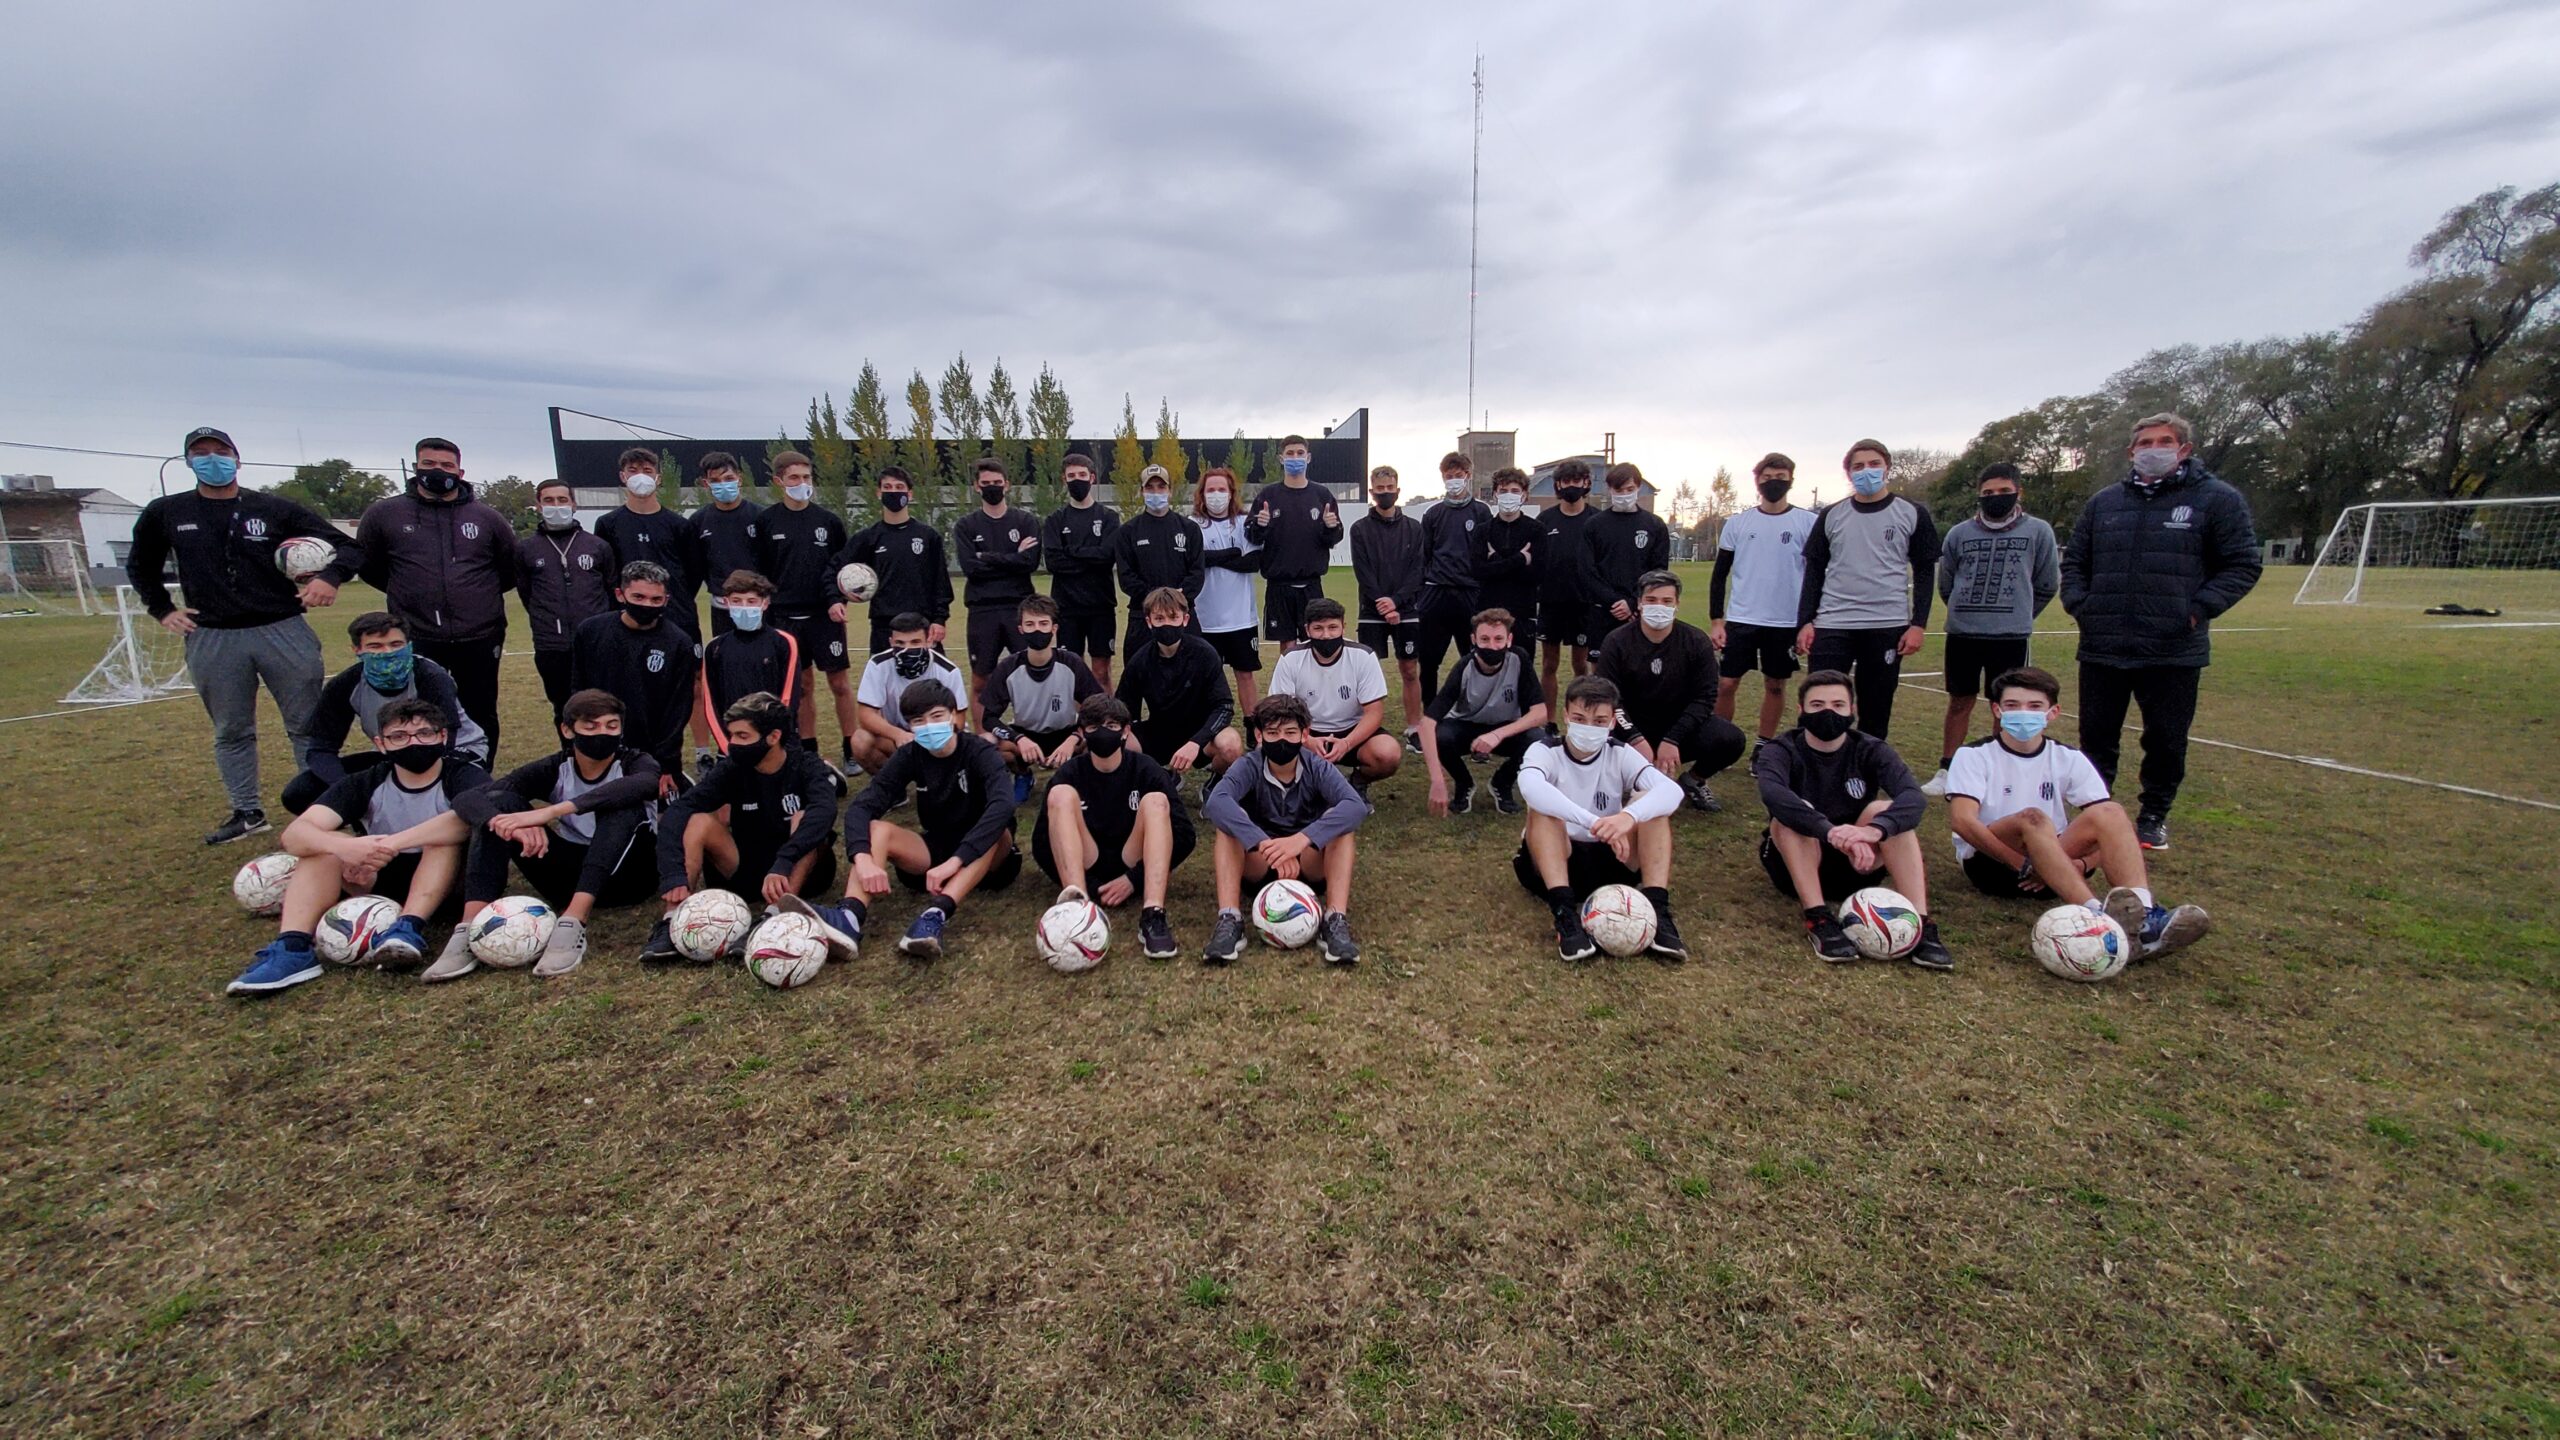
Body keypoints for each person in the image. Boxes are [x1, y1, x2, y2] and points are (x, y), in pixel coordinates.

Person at [128, 425, 357, 845]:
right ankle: (246, 811)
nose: (212, 459)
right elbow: (140, 565)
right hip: (213, 635)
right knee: (232, 730)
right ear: (188, 461)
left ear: (237, 458)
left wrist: (330, 577)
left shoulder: (273, 508)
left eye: (220, 451)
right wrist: (162, 609)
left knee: (307, 725)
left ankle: (321, 808)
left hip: (282, 628)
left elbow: (347, 547)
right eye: (201, 452)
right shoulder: (167, 512)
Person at [2059, 412, 2262, 850]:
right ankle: (2096, 812)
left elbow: (2243, 563)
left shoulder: (2216, 499)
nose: (2154, 449)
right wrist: (2081, 605)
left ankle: (2153, 815)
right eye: (2145, 442)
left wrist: (2198, 609)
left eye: (2164, 441)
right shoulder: (2105, 503)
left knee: (2166, 739)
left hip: (2173, 648)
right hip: (2103, 644)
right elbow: (2075, 561)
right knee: (2096, 738)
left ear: (2184, 449)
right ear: (2132, 451)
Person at [1944, 667, 2211, 960]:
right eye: (2012, 706)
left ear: (2053, 712)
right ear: (1997, 710)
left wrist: (2081, 865)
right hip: (1994, 866)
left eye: (2035, 706)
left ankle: (2146, 917)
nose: (2024, 713)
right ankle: (2100, 919)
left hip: (2057, 870)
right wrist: (2022, 863)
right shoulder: (1974, 755)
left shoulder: (2068, 758)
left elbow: (2113, 829)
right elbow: (1963, 821)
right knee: (2032, 818)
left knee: (2110, 811)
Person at [227, 699, 486, 996]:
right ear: (381, 744)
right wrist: (346, 849)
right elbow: (295, 835)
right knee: (322, 848)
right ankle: (293, 948)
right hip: (377, 877)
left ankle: (408, 929)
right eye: (399, 737)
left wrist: (392, 842)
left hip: (451, 882)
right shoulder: (365, 781)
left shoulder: (463, 774)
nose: (414, 742)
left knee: (440, 837)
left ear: (443, 737)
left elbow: (469, 818)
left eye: (425, 734)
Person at [794, 680, 1020, 962]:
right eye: (918, 721)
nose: (928, 726)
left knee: (995, 829)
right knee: (877, 829)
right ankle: (850, 916)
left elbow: (1003, 805)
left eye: (936, 717)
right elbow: (862, 807)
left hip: (990, 859)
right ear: (909, 726)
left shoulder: (979, 751)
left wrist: (957, 860)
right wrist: (862, 858)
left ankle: (934, 915)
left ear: (953, 716)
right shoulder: (911, 754)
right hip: (935, 851)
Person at [446, 688, 663, 980]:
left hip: (630, 877)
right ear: (567, 729)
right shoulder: (556, 766)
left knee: (623, 807)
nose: (603, 733)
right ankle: (469, 928)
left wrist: (550, 812)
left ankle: (574, 922)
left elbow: (646, 784)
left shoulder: (636, 762)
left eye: (612, 726)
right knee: (499, 804)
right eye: (591, 726)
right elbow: (468, 798)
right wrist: (503, 821)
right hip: (566, 879)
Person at [1753, 671, 1951, 969]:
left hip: (1860, 860)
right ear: (1801, 710)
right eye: (1817, 705)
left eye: (1838, 704)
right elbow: (1774, 795)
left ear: (1852, 710)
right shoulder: (1781, 749)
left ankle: (1921, 924)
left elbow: (1913, 798)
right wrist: (1829, 831)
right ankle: (1818, 919)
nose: (1828, 712)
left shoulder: (1871, 748)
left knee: (1887, 811)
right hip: (1797, 862)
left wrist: (1873, 832)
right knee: (1789, 817)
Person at [641, 691, 841, 962]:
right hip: (746, 869)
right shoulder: (733, 768)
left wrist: (785, 859)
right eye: (732, 735)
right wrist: (672, 872)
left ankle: (773, 917)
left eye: (742, 736)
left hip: (800, 871)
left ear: (773, 737)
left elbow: (825, 811)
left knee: (804, 817)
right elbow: (680, 809)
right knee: (698, 820)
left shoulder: (805, 764)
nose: (732, 743)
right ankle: (671, 920)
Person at [354, 437, 516, 754]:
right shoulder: (385, 514)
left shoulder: (487, 517)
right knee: (419, 712)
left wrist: (474, 599)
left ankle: (478, 777)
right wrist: (413, 594)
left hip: (480, 633)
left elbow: (508, 570)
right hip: (419, 633)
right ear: (416, 467)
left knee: (480, 710)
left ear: (460, 470)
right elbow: (370, 568)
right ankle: (427, 776)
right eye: (429, 464)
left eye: (446, 465)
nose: (438, 471)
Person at [1514, 676, 1685, 962]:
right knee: (1542, 808)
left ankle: (1658, 911)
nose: (1588, 728)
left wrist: (1628, 817)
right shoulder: (1545, 750)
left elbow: (1672, 791)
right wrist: (1592, 821)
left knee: (1652, 805)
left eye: (1599, 720)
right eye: (1579, 718)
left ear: (1612, 723)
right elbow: (1531, 787)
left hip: (1614, 856)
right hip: (1559, 861)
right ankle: (1565, 916)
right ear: (1566, 715)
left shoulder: (1620, 753)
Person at [1201, 693, 1370, 966]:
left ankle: (1335, 920)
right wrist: (1263, 843)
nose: (1282, 739)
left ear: (1305, 735)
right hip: (1259, 863)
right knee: (1229, 823)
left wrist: (1301, 840)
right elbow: (1217, 802)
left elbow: (1355, 806)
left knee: (1340, 822)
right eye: (1272, 732)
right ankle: (1229, 919)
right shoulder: (1249, 764)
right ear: (1259, 735)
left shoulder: (1317, 766)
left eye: (1290, 732)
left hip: (1308, 862)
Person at [1922, 463, 2060, 796]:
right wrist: (1965, 610)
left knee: (2006, 703)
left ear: (2017, 492)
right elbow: (1947, 583)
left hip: (2010, 636)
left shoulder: (2038, 531)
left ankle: (2001, 768)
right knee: (1959, 701)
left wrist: (2018, 613)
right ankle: (1948, 768)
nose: (1995, 498)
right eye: (1987, 493)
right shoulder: (1959, 534)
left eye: (2002, 492)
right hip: (1963, 634)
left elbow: (2046, 583)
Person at [1795, 439, 1940, 742]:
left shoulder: (1911, 512)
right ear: (1848, 473)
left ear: (1887, 467)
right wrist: (1806, 621)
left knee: (1876, 706)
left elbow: (1925, 571)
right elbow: (1813, 572)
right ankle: (1814, 771)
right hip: (1834, 622)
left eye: (1874, 464)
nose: (1866, 471)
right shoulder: (1831, 515)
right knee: (1823, 703)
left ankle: (1866, 775)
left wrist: (1918, 624)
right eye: (1858, 466)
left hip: (1886, 624)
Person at [1031, 695, 1192, 961]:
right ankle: (1076, 906)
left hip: (1132, 857)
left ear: (1126, 731)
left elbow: (1184, 834)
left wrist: (1133, 880)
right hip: (1087, 860)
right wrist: (1092, 888)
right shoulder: (1070, 773)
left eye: (1111, 725)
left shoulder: (1146, 769)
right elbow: (1042, 844)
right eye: (1094, 727)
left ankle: (1153, 914)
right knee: (1060, 795)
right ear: (1082, 733)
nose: (1103, 733)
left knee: (1155, 801)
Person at [282, 611, 490, 814]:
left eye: (396, 645)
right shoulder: (344, 685)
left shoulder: (431, 677)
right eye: (375, 646)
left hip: (452, 751)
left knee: (466, 799)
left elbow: (444, 738)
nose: (387, 652)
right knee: (299, 792)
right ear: (357, 649)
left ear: (409, 645)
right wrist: (346, 788)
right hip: (397, 753)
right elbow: (321, 748)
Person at [1594, 570, 1748, 811]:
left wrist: (1673, 738)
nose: (1659, 607)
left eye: (1667, 601)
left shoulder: (1696, 642)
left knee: (1731, 739)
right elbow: (1608, 698)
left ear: (1677, 604)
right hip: (1629, 728)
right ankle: (1622, 779)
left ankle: (1694, 781)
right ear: (1639, 603)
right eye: (1652, 600)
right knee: (1590, 736)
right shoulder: (1616, 641)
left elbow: (1705, 698)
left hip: (1679, 729)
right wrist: (1634, 737)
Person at [749, 451, 859, 767]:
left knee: (839, 683)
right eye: (794, 478)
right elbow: (761, 573)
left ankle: (851, 747)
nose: (801, 484)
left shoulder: (828, 521)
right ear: (779, 481)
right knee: (802, 686)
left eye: (806, 477)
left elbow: (843, 569)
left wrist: (839, 600)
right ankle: (808, 750)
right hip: (784, 616)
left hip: (824, 615)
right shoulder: (766, 521)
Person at [1711, 452, 1816, 743]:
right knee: (1727, 683)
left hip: (1784, 620)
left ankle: (1764, 744)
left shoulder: (1807, 522)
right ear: (1757, 481)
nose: (1773, 483)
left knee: (1775, 684)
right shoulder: (1738, 523)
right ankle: (1721, 742)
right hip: (1742, 617)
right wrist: (1717, 621)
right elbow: (1720, 575)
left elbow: (1816, 576)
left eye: (1780, 478)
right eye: (1767, 478)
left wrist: (1809, 621)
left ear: (1791, 481)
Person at [569, 561, 699, 789]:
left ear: (666, 600)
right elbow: (578, 691)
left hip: (649, 750)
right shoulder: (591, 632)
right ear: (620, 594)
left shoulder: (678, 643)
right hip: (599, 742)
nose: (647, 605)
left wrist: (667, 763)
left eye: (656, 600)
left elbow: (678, 709)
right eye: (638, 597)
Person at [1420, 608, 1549, 817]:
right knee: (1440, 736)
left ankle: (1502, 783)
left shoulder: (1519, 659)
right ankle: (1463, 784)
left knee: (1538, 739)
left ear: (1509, 639)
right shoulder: (1464, 667)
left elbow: (1540, 713)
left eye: (1499, 639)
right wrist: (1437, 780)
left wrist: (1497, 734)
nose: (1492, 646)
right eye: (1485, 639)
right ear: (1473, 639)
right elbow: (1427, 723)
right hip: (1467, 727)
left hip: (1504, 729)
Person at [1266, 598, 1401, 796]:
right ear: (1307, 629)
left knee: (1388, 753)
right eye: (1318, 628)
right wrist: (1307, 740)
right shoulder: (1291, 658)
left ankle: (1356, 782)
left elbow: (1374, 712)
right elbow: (1279, 710)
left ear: (1343, 627)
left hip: (1352, 732)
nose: (1326, 635)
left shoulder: (1363, 656)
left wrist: (1346, 743)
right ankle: (1299, 788)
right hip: (1307, 732)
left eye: (1332, 627)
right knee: (1268, 747)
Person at [977, 594, 1104, 802]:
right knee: (988, 743)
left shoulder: (1071, 663)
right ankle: (1023, 775)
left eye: (1043, 623)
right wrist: (1019, 739)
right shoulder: (1009, 667)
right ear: (1020, 629)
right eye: (1030, 624)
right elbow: (988, 718)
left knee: (1102, 736)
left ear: (1054, 628)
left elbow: (1098, 709)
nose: (1037, 630)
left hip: (1066, 733)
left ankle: (1079, 776)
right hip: (1026, 736)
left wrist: (1074, 739)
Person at [1114, 587, 1245, 779]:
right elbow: (1123, 710)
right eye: (1159, 619)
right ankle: (1163, 777)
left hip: (1201, 734)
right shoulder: (1140, 660)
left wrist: (1195, 743)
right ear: (1149, 622)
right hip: (1159, 731)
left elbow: (1223, 707)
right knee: (1115, 741)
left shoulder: (1205, 654)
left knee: (1231, 745)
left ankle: (1216, 782)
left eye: (1173, 617)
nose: (1167, 624)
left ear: (1185, 619)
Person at [952, 457, 1042, 725]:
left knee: (1028, 674)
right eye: (986, 483)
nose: (992, 487)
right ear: (977, 487)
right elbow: (971, 568)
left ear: (1007, 485)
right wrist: (1011, 557)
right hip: (983, 609)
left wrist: (988, 557)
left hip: (1019, 608)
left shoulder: (1025, 521)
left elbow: (1030, 563)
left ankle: (1029, 735)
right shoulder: (966, 525)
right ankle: (983, 741)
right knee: (982, 677)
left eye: (997, 483)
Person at [518, 479, 616, 719]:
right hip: (551, 643)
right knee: (563, 706)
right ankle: (569, 753)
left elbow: (611, 589)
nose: (556, 505)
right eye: (548, 500)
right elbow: (526, 592)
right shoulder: (526, 549)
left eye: (562, 500)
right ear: (539, 506)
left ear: (573, 504)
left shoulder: (597, 546)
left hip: (595, 642)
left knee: (602, 703)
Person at [833, 465, 952, 657]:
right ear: (879, 493)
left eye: (899, 487)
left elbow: (940, 582)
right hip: (884, 624)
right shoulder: (868, 537)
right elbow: (836, 568)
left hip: (922, 623)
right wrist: (835, 598)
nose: (893, 492)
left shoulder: (928, 536)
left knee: (927, 685)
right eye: (887, 488)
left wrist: (940, 619)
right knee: (885, 684)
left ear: (910, 494)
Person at [1349, 464, 1426, 749]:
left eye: (1389, 489)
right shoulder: (1360, 529)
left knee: (1409, 670)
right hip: (1371, 611)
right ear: (1372, 492)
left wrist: (1397, 601)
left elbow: (1417, 570)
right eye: (1379, 489)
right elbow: (1362, 571)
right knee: (1368, 672)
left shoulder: (1414, 529)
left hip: (1406, 610)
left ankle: (1414, 728)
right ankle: (1365, 727)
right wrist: (1383, 603)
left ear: (1397, 490)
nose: (1384, 493)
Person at [1244, 435, 1344, 647]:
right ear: (1281, 458)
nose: (1295, 458)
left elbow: (1333, 539)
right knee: (1287, 647)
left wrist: (1331, 526)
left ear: (1308, 458)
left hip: (1311, 585)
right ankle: (1290, 682)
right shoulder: (1268, 495)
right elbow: (1252, 536)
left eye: (1300, 453)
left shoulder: (1322, 495)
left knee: (1316, 642)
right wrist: (1260, 525)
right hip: (1279, 586)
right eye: (1290, 454)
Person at [593, 447, 702, 634]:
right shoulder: (607, 524)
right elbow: (606, 574)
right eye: (633, 471)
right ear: (623, 476)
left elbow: (693, 573)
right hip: (628, 618)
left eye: (647, 471)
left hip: (676, 616)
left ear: (657, 478)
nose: (640, 476)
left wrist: (671, 597)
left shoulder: (680, 525)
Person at [1416, 450, 1493, 705]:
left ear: (1468, 476)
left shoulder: (1481, 513)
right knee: (1428, 660)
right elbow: (1425, 556)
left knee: (1473, 657)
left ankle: (1472, 708)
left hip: (1469, 594)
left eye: (1458, 476)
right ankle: (1429, 712)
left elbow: (1486, 556)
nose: (1453, 481)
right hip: (1436, 593)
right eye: (1449, 476)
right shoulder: (1433, 514)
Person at [849, 611, 969, 773]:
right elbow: (866, 715)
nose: (907, 650)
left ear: (929, 640)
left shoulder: (948, 671)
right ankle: (893, 789)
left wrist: (928, 736)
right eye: (900, 643)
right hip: (896, 738)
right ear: (891, 642)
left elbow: (959, 719)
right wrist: (898, 735)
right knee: (860, 741)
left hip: (936, 735)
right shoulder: (878, 665)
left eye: (915, 642)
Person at [696, 570, 800, 752]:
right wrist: (728, 746)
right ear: (727, 603)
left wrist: (771, 742)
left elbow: (788, 698)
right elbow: (711, 704)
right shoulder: (715, 648)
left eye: (751, 602)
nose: (744, 607)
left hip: (775, 744)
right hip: (733, 745)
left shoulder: (783, 642)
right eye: (737, 601)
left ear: (765, 603)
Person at [1040, 451, 1121, 686]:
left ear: (1092, 478)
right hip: (1066, 608)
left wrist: (1072, 551)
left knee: (1101, 672)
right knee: (1069, 671)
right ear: (1064, 480)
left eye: (1082, 474)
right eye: (1071, 475)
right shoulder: (1055, 519)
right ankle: (1074, 721)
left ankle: (1106, 719)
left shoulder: (1108, 517)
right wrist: (1090, 556)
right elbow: (1053, 562)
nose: (1077, 480)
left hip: (1100, 606)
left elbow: (1107, 557)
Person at [1193, 465, 1265, 714]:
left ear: (1231, 492)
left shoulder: (1245, 523)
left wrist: (1214, 558)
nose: (1216, 494)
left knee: (1245, 675)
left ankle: (1252, 727)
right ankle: (1206, 729)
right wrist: (1231, 553)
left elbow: (1252, 563)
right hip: (1204, 619)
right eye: (1210, 490)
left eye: (1221, 489)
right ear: (1202, 494)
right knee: (1205, 677)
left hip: (1241, 618)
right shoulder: (1193, 526)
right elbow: (1196, 560)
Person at [1579, 461, 1671, 655]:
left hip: (1639, 610)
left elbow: (1658, 572)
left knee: (1638, 668)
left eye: (1629, 489)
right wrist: (1613, 601)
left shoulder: (1654, 525)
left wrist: (1632, 602)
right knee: (1601, 672)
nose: (1624, 495)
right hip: (1602, 609)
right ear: (1609, 489)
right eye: (1619, 490)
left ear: (1638, 487)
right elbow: (1587, 571)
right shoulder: (1594, 525)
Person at [1113, 464, 1205, 650]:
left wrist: (1176, 600)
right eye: (1150, 487)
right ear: (1142, 492)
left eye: (1161, 487)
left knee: (1190, 675)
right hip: (1143, 617)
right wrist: (1154, 600)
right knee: (1141, 675)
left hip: (1182, 615)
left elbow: (1197, 573)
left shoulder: (1189, 529)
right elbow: (1126, 577)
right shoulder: (1128, 532)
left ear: (1170, 491)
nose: (1156, 492)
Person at [1536, 458, 1599, 713]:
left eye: (1577, 481)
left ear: (1586, 484)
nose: (1571, 486)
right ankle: (1549, 721)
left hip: (1584, 604)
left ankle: (1579, 715)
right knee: (1549, 664)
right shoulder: (1545, 520)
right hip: (1552, 603)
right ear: (1558, 485)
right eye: (1566, 482)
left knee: (1580, 666)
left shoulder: (1597, 520)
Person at [688, 451, 763, 640]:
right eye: (715, 480)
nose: (723, 484)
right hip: (722, 606)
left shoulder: (760, 516)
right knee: (726, 661)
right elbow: (696, 567)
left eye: (728, 478)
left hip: (758, 605)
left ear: (739, 479)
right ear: (706, 484)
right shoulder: (698, 521)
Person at [1481, 468, 1540, 647]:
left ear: (1524, 495)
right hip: (1488, 612)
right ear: (1495, 494)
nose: (1509, 496)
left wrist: (1495, 559)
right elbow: (1478, 572)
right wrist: (1520, 559)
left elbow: (1536, 575)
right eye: (1503, 491)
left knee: (1522, 666)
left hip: (1523, 613)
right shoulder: (1482, 531)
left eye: (1515, 491)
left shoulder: (1536, 530)